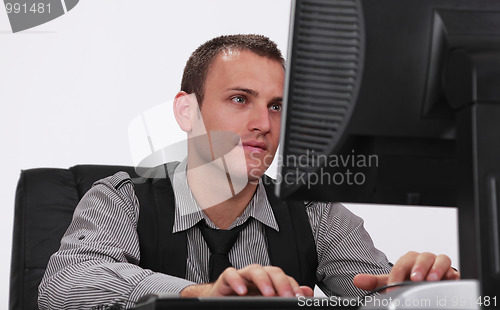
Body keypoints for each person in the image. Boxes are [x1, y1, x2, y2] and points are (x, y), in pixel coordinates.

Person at [38, 34, 459, 309]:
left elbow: (373, 297)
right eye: (241, 99)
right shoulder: (121, 197)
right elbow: (65, 286)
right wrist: (203, 295)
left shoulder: (315, 212)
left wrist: (423, 294)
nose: (264, 123)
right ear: (188, 111)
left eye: (276, 106)